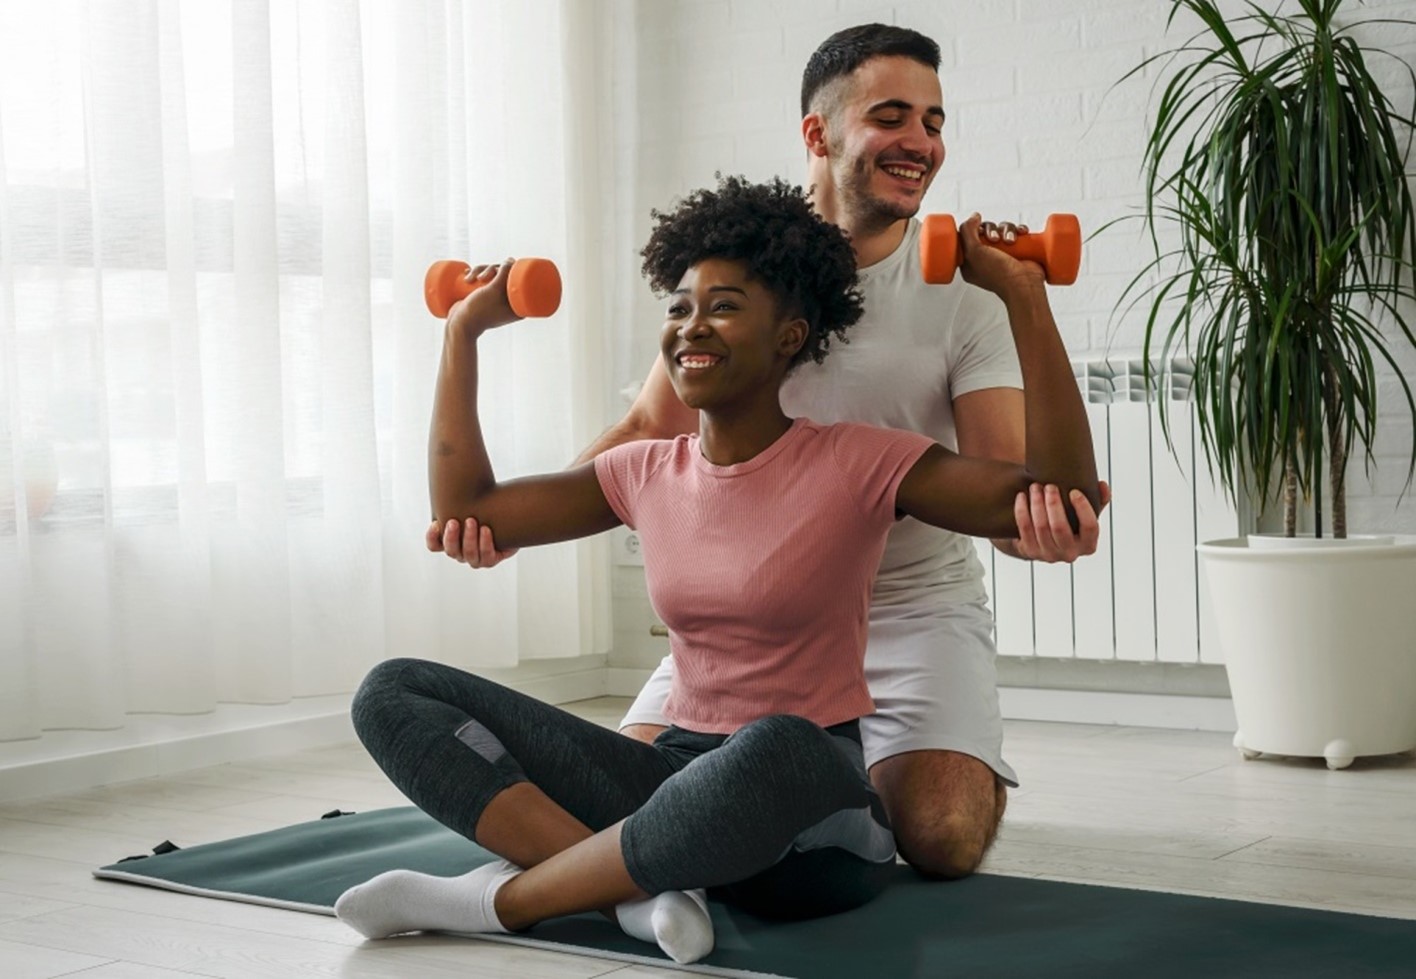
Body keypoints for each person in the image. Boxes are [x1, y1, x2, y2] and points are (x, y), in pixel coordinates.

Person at [339, 176, 1099, 963]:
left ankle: (502, 900)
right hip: (676, 778)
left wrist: (1025, 299)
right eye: (679, 307)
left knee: (774, 744)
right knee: (392, 690)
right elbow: (472, 505)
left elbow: (1053, 494)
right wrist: (462, 333)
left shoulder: (861, 461)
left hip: (810, 821)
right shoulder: (641, 471)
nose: (691, 327)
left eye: (724, 306)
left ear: (790, 336)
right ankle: (641, 892)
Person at [428, 23, 1110, 879]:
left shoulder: (963, 300)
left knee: (938, 836)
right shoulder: (736, 273)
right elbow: (647, 433)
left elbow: (1014, 489)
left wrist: (1041, 521)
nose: (921, 143)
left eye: (934, 122)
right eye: (891, 117)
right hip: (751, 607)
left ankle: (826, 787)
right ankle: (746, 815)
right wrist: (509, 522)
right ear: (818, 135)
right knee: (621, 801)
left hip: (908, 602)